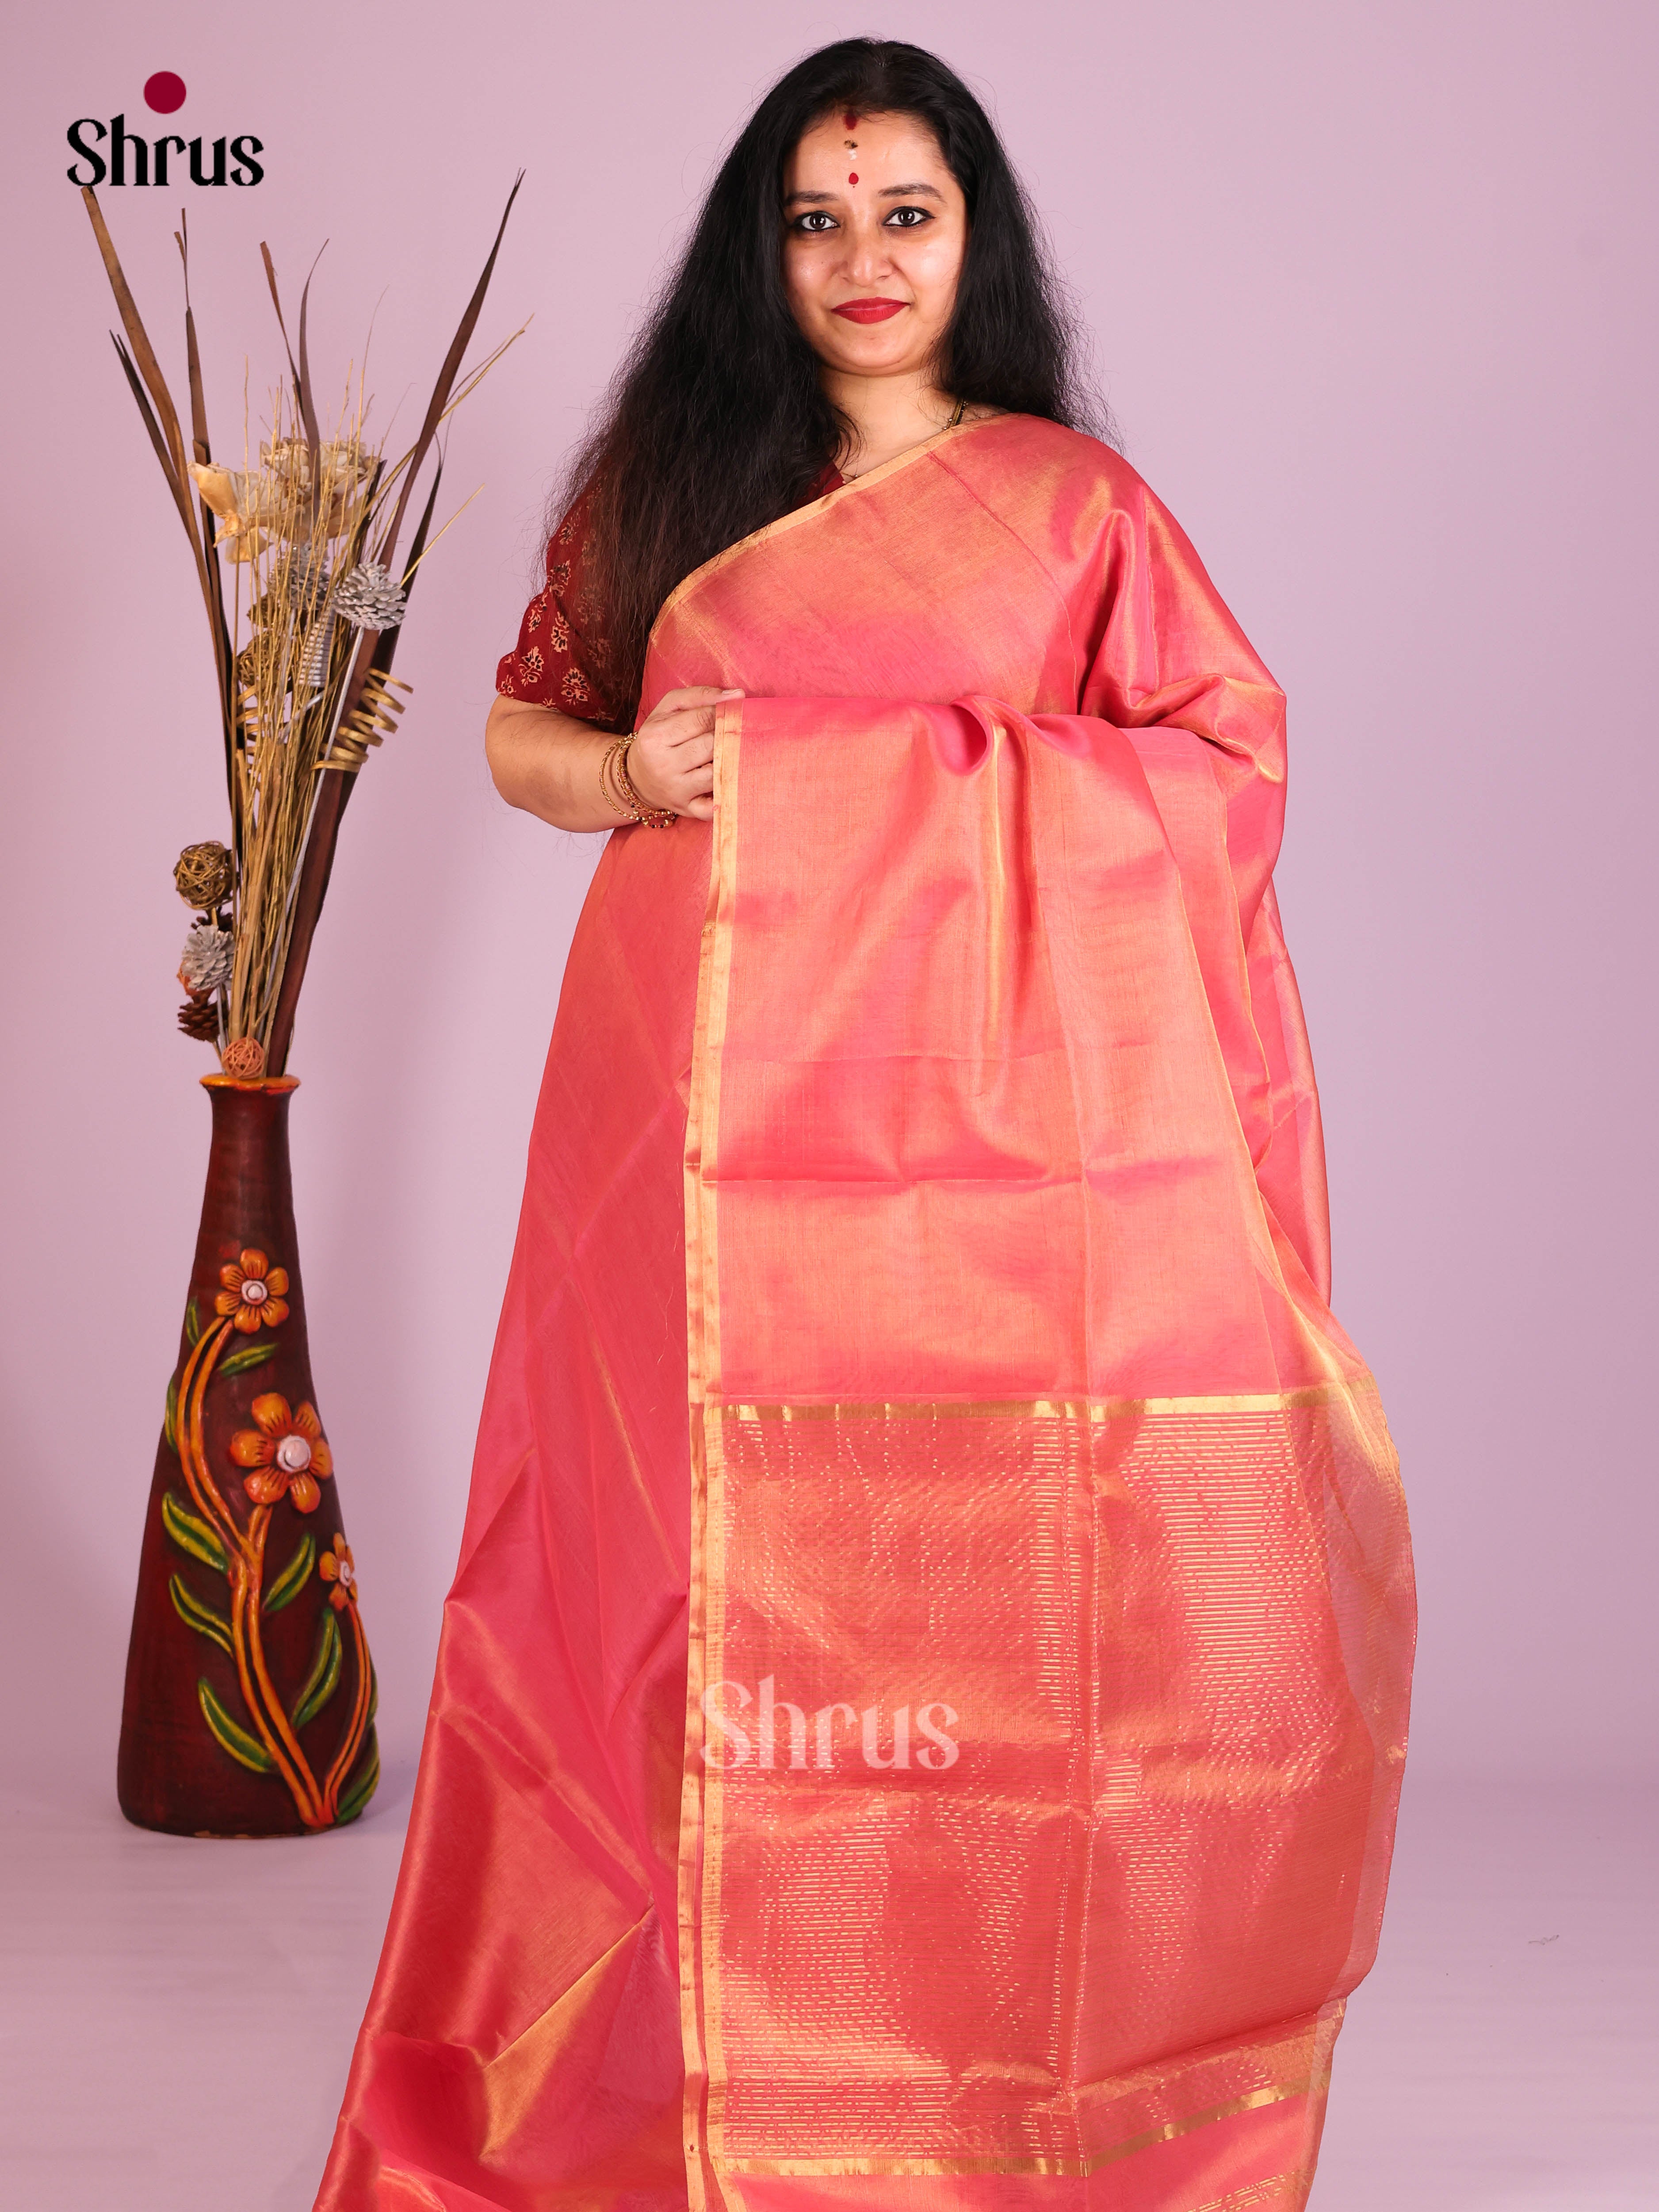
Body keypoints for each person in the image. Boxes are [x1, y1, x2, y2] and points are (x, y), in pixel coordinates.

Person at [315, 38, 1415, 2212]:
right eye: (813, 221)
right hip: (684, 1121)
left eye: (904, 213)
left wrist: (891, 774)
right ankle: (682, 2080)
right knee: (666, 1583)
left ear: (972, 236)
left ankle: (957, 2071)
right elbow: (528, 728)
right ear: (761, 252)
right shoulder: (673, 486)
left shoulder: (1074, 511)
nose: (861, 259)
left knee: (976, 1592)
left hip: (995, 1166)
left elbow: (1223, 767)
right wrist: (629, 774)